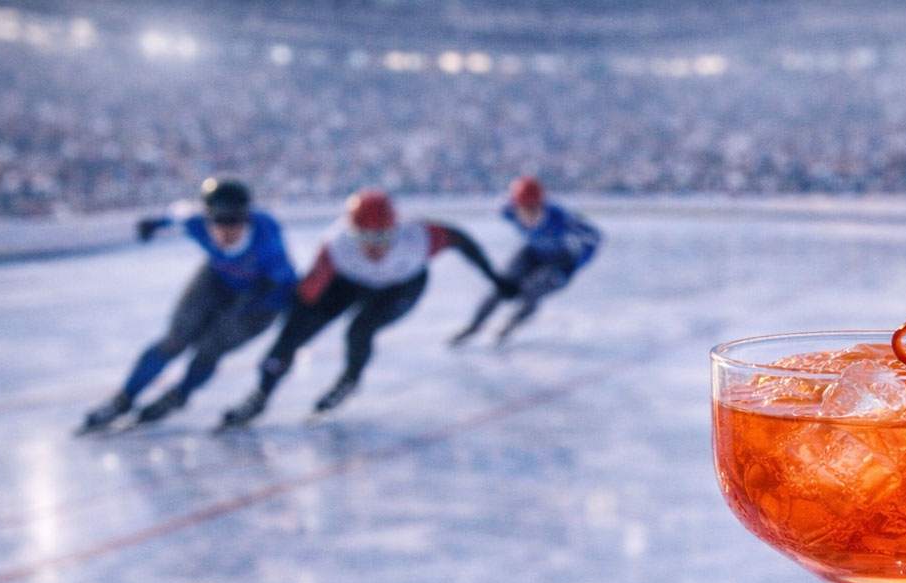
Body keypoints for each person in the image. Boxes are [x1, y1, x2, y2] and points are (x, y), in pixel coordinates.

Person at [218, 188, 512, 428]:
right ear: (351, 230)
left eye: (382, 236)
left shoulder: (417, 237)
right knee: (293, 334)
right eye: (364, 237)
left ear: (395, 228)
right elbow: (307, 295)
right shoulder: (338, 243)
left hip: (401, 286)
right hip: (348, 282)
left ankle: (349, 380)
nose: (373, 248)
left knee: (360, 330)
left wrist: (495, 277)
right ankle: (260, 395)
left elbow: (462, 241)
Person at [79, 177, 296, 432]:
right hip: (218, 278)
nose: (226, 230)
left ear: (247, 218)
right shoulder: (196, 222)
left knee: (209, 349)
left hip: (261, 298)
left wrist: (261, 307)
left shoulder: (267, 239)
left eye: (234, 221)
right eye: (218, 221)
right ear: (207, 218)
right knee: (174, 340)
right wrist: (154, 224)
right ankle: (123, 399)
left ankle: (180, 394)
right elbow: (177, 213)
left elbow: (287, 284)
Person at [449, 174, 601, 348]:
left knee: (531, 291)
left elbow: (594, 237)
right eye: (523, 209)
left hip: (561, 262)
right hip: (532, 254)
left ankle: (511, 325)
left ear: (542, 205)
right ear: (515, 207)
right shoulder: (508, 212)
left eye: (533, 209)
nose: (528, 214)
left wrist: (577, 264)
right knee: (502, 287)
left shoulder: (560, 218)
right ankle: (474, 325)